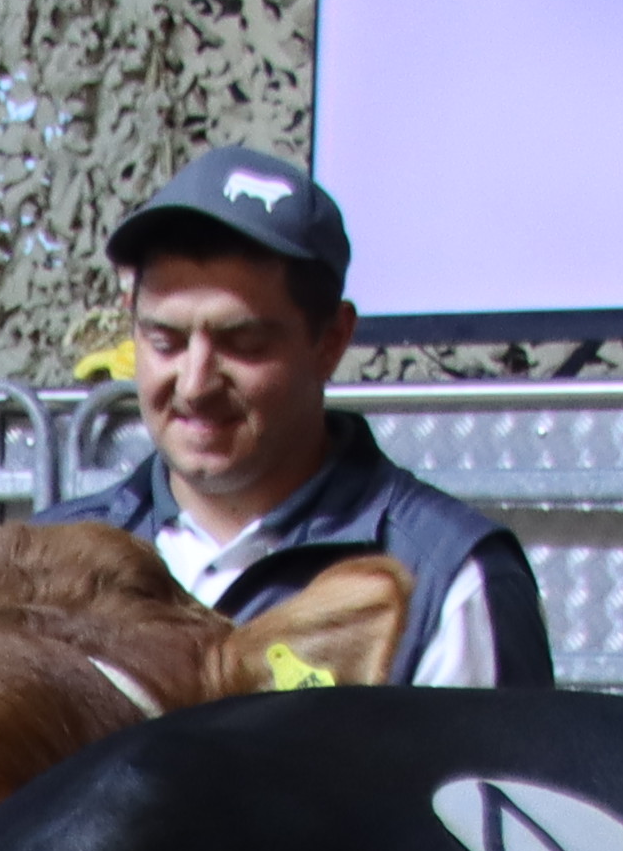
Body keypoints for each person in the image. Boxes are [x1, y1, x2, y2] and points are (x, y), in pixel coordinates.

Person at [62, 145, 548, 688]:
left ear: (332, 340)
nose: (195, 384)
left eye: (242, 343)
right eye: (165, 341)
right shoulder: (52, 565)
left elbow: (484, 777)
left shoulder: (447, 583)